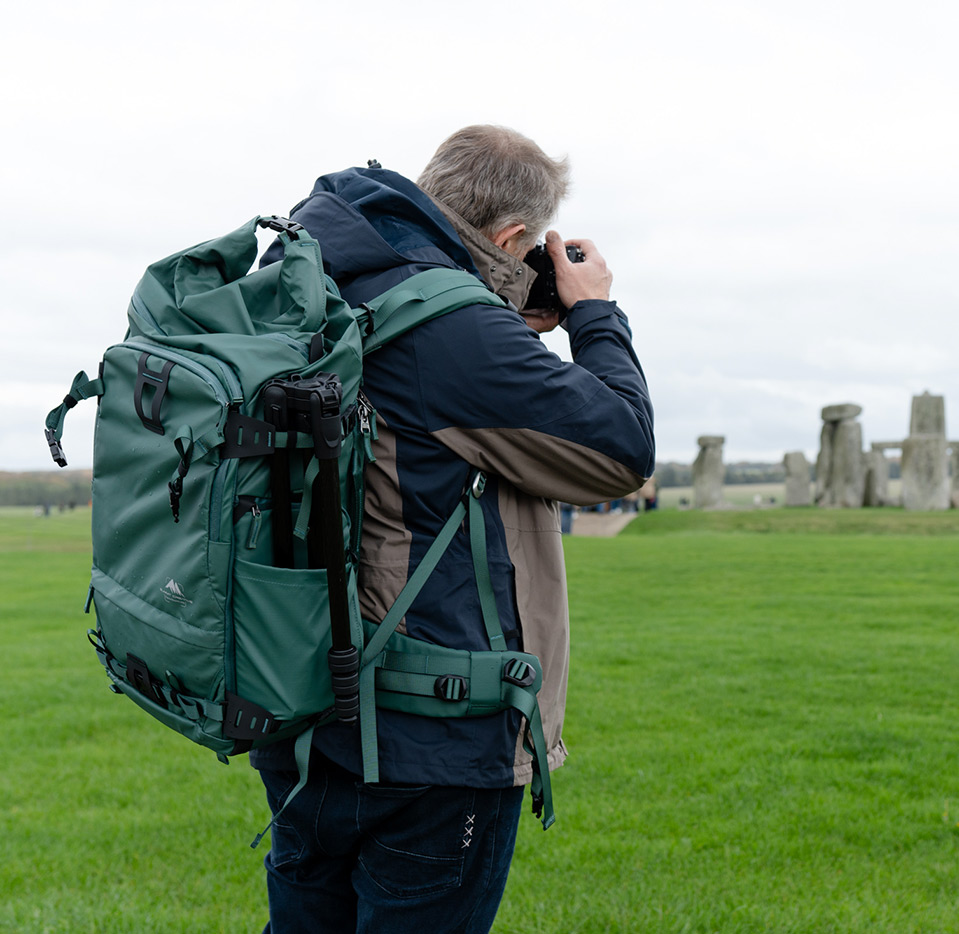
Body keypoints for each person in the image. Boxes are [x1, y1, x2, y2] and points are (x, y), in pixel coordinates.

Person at [250, 126, 655, 933]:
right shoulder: (454, 328)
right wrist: (596, 314)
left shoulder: (307, 277)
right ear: (512, 237)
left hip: (296, 708)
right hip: (430, 741)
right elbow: (621, 452)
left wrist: (507, 311)